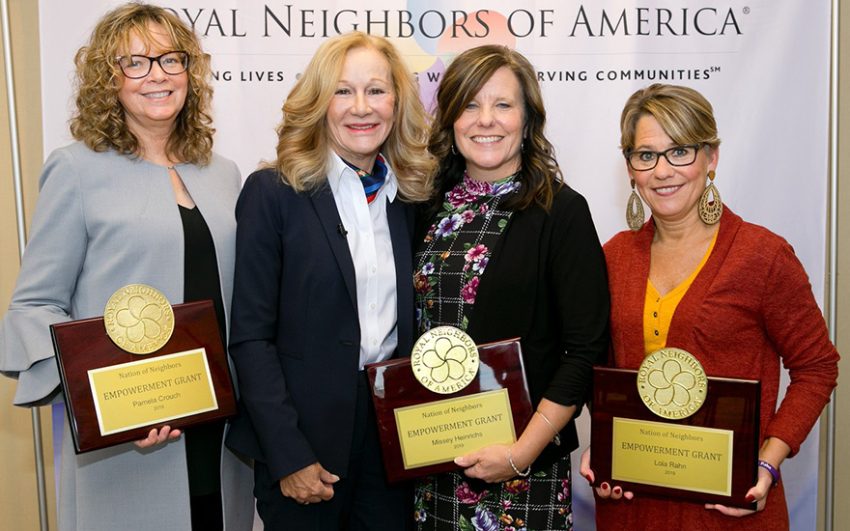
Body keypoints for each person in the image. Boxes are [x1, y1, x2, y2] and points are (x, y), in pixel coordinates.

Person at [0, 4, 254, 530]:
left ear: (191, 71)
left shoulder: (223, 173)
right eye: (134, 62)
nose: (156, 74)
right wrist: (109, 405)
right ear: (107, 79)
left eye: (169, 59)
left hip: (222, 432)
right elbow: (34, 305)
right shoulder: (76, 168)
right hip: (130, 438)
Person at [580, 83, 840, 530]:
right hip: (633, 506)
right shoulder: (613, 257)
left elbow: (818, 367)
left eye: (680, 151)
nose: (663, 171)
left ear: (711, 158)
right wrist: (606, 442)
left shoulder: (762, 255)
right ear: (630, 168)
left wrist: (768, 464)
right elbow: (599, 369)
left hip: (730, 510)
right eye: (646, 155)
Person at [225, 31, 434, 530]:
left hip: (391, 442)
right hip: (303, 441)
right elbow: (251, 338)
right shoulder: (273, 192)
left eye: (377, 90)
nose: (361, 107)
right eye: (343, 91)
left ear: (398, 102)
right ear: (318, 101)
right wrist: (287, 454)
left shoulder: (411, 196)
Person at [411, 45, 610, 530]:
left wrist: (520, 454)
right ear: (450, 118)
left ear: (527, 119)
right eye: (470, 105)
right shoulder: (420, 205)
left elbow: (584, 351)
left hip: (523, 472)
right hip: (430, 465)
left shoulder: (560, 212)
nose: (486, 121)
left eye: (503, 105)